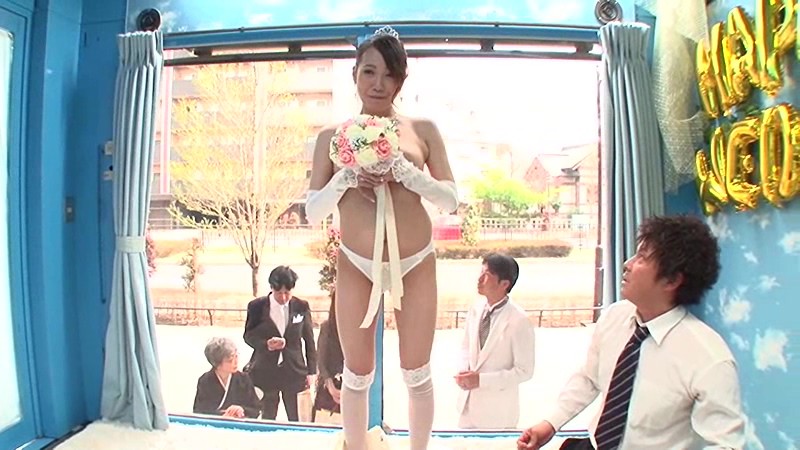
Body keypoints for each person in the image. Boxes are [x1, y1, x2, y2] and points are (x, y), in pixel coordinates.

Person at [305, 25, 459, 450]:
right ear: (355, 74)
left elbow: (450, 200)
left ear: (401, 80)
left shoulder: (422, 129)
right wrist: (346, 178)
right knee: (356, 372)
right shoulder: (331, 136)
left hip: (415, 260)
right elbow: (313, 210)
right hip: (356, 261)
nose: (378, 83)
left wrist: (407, 174)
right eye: (369, 72)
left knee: (417, 370)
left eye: (389, 74)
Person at [517, 215, 745, 450]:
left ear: (671, 280)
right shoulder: (615, 316)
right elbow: (589, 378)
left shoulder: (709, 358)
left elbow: (725, 445)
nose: (627, 264)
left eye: (642, 258)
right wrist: (550, 424)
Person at [456, 253, 535, 429]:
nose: (479, 279)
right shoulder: (476, 308)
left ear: (504, 284)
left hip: (498, 413)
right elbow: (466, 346)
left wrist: (481, 380)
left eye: (487, 275)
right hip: (467, 408)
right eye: (481, 272)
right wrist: (463, 371)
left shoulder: (519, 321)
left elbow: (525, 371)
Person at [243, 265, 317, 422]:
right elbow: (249, 335)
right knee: (268, 417)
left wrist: (312, 371)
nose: (283, 298)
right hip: (266, 371)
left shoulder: (301, 307)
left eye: (287, 293)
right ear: (271, 288)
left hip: (294, 371)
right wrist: (266, 344)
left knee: (296, 418)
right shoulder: (256, 307)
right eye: (279, 293)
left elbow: (309, 341)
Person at [193, 337, 261, 419]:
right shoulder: (205, 381)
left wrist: (242, 409)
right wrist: (222, 415)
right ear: (217, 363)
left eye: (236, 356)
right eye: (230, 360)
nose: (235, 362)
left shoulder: (243, 379)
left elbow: (256, 409)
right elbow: (199, 411)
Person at [312, 291, 344, 424]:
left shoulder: (360, 329)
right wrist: (331, 386)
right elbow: (321, 360)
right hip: (329, 386)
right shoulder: (327, 327)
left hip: (353, 386)